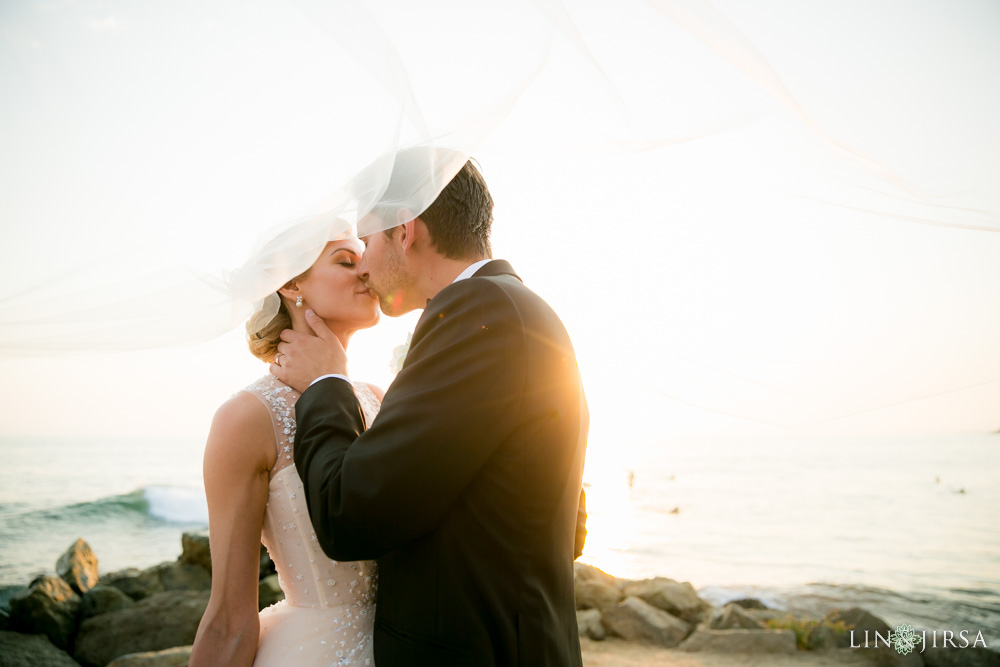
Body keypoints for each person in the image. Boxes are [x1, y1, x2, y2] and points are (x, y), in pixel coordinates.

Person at [271, 154, 589, 666]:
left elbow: (347, 516)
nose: (366, 267)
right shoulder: (515, 309)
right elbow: (566, 526)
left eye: (368, 243)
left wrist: (326, 382)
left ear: (406, 231)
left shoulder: (479, 316)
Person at [189, 234, 383, 667]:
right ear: (292, 285)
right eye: (346, 261)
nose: (366, 271)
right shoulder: (247, 419)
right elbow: (228, 617)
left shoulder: (379, 398)